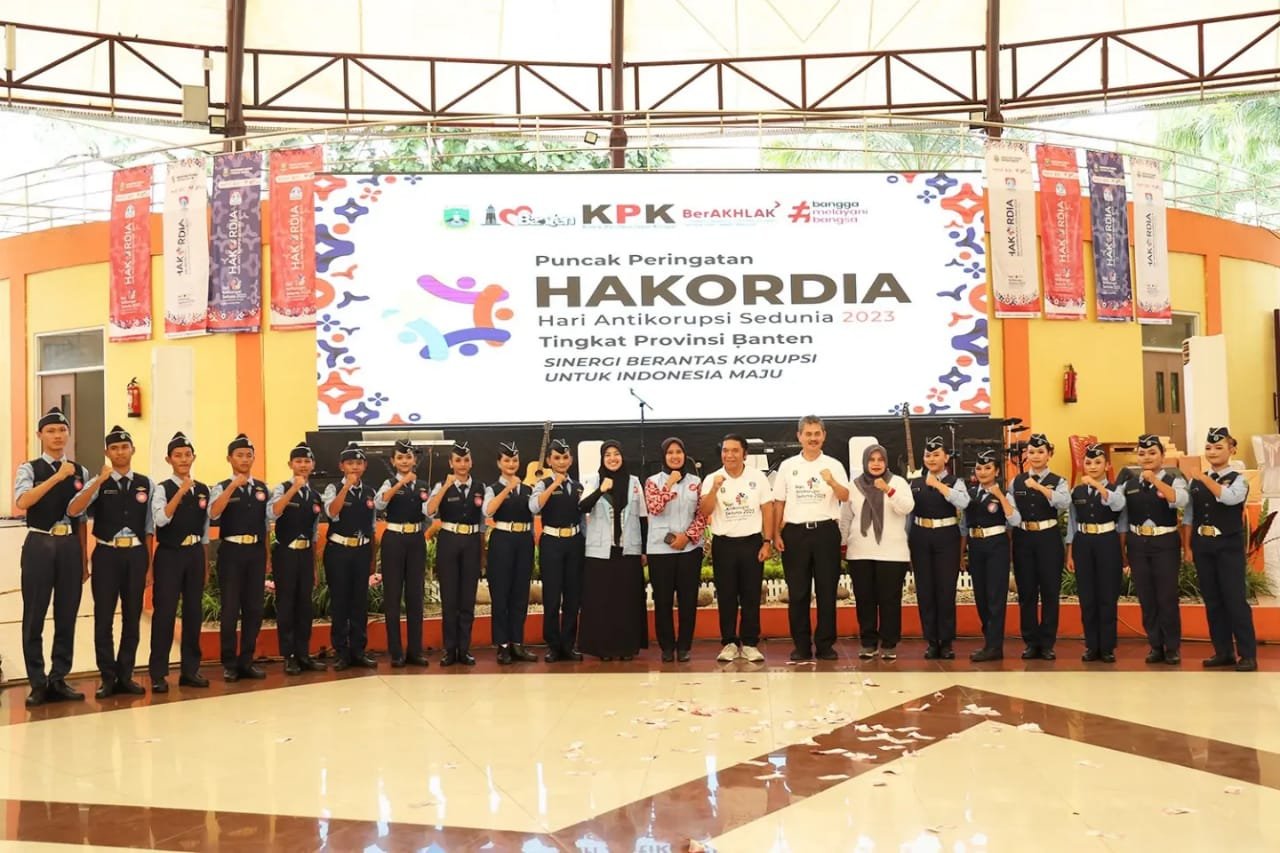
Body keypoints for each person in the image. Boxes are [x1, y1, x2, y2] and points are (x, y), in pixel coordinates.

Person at [67, 425, 153, 699]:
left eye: (124, 447)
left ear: (132, 450)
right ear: (107, 453)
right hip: (106, 555)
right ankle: (107, 676)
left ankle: (126, 675)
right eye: (114, 448)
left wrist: (149, 567)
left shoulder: (146, 483)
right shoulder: (99, 482)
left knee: (132, 617)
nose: (120, 452)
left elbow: (149, 528)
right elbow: (74, 509)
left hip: (136, 555)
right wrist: (98, 480)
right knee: (103, 618)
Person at [14, 407, 90, 706]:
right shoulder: (29, 468)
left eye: (62, 430)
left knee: (67, 614)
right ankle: (37, 682)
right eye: (51, 431)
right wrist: (57, 477)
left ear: (68, 434)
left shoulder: (80, 471)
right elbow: (23, 501)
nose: (57, 436)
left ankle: (59, 678)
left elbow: (81, 518)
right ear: (40, 435)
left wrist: (83, 558)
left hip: (69, 545)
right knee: (34, 615)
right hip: (40, 544)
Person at [772, 415, 850, 661]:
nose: (813, 438)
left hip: (826, 532)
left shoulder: (834, 465)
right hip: (795, 534)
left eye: (817, 434)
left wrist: (832, 482)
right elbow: (779, 502)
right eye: (808, 434)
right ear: (799, 437)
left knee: (827, 592)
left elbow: (845, 496)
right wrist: (775, 533)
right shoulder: (788, 466)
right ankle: (801, 646)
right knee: (798, 593)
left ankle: (825, 645)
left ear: (824, 436)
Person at [1182, 427, 1258, 672]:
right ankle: (1223, 652)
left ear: (1231, 450)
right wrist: (1188, 547)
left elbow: (1229, 498)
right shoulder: (1196, 481)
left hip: (1228, 546)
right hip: (1203, 545)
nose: (1212, 452)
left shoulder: (1238, 479)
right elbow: (1189, 516)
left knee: (1235, 600)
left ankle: (1247, 654)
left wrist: (1204, 478)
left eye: (1218, 447)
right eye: (1208, 447)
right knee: (1213, 600)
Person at [699, 434, 773, 663]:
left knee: (751, 595)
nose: (729, 455)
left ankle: (750, 643)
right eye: (725, 450)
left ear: (744, 454)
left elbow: (767, 509)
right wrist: (714, 489)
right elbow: (705, 511)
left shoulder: (758, 478)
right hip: (724, 544)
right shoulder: (712, 478)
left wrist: (767, 541)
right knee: (727, 595)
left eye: (734, 450)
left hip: (752, 542)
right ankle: (729, 642)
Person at [148, 432, 211, 693]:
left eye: (187, 455)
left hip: (194, 553)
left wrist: (205, 563)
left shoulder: (203, 489)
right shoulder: (162, 488)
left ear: (193, 457)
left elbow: (205, 531)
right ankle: (158, 673)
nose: (183, 459)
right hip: (170, 555)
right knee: (164, 613)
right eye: (178, 456)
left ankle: (190, 670)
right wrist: (181, 491)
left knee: (193, 613)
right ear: (169, 459)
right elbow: (161, 520)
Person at [1119, 434, 1188, 665]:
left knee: (1166, 597)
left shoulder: (1173, 479)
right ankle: (1155, 645)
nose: (1146, 457)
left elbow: (1180, 500)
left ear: (1162, 456)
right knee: (1146, 597)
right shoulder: (1128, 484)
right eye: (1142, 454)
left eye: (1152, 453)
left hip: (1165, 543)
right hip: (1138, 543)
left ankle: (1172, 647)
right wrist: (1123, 549)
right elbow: (1122, 516)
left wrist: (1155, 481)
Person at [841, 444, 915, 660]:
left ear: (886, 462)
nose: (876, 464)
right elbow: (846, 517)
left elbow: (907, 508)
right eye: (871, 460)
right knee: (865, 599)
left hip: (892, 553)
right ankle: (868, 643)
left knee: (889, 600)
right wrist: (842, 544)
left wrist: (888, 490)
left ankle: (889, 643)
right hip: (860, 552)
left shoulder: (897, 483)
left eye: (880, 460)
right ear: (865, 462)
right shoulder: (854, 485)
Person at [207, 434, 270, 682]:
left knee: (254, 609)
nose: (244, 459)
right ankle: (229, 663)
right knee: (230, 608)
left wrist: (267, 556)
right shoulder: (221, 486)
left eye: (248, 455)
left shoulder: (262, 488)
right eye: (239, 455)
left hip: (255, 551)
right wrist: (234, 486)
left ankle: (247, 660)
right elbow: (213, 513)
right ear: (229, 459)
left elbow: (266, 525)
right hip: (231, 552)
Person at [577, 440, 647, 660]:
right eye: (607, 454)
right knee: (602, 601)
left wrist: (644, 550)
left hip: (628, 550)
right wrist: (601, 490)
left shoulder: (634, 482)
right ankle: (603, 649)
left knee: (626, 601)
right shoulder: (593, 480)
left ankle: (627, 647)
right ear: (602, 459)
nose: (612, 458)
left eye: (616, 453)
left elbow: (643, 517)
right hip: (600, 552)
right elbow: (582, 506)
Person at [645, 437, 708, 663]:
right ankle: (666, 647)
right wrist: (669, 484)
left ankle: (684, 647)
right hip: (660, 550)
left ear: (684, 455)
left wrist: (688, 537)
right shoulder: (653, 481)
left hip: (689, 549)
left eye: (678, 452)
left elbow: (702, 514)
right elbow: (654, 507)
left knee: (688, 600)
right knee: (663, 601)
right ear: (664, 456)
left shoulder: (696, 482)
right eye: (670, 452)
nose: (674, 456)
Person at [1008, 432, 1070, 660]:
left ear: (1049, 454)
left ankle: (1047, 643)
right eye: (1031, 452)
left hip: (1048, 538)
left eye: (1040, 452)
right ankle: (1031, 642)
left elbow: (1064, 502)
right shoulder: (1016, 481)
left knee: (1050, 592)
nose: (1035, 456)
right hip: (1024, 537)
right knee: (1027, 592)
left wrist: (1039, 487)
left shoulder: (1058, 481)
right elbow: (1011, 512)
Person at [907, 436, 970, 660]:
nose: (931, 459)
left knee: (945, 590)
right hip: (921, 536)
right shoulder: (915, 483)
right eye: (928, 455)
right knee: (925, 590)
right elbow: (908, 516)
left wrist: (939, 486)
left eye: (936, 455)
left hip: (946, 537)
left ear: (946, 458)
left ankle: (946, 641)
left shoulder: (955, 481)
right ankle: (931, 641)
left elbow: (964, 503)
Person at [268, 441, 327, 675]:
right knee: (286, 605)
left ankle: (303, 653)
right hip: (285, 553)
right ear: (290, 464)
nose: (303, 465)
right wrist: (293, 489)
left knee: (305, 606)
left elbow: (314, 533)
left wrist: (313, 566)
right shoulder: (281, 488)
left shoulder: (315, 496)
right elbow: (273, 512)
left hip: (305, 553)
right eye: (298, 461)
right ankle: (289, 655)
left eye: (307, 461)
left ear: (313, 465)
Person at [1065, 444, 1126, 663]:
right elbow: (1072, 524)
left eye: (1098, 462)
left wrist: (1097, 486)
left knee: (1107, 596)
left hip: (1107, 541)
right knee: (1087, 597)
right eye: (1088, 463)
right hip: (1083, 542)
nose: (1092, 467)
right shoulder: (1077, 491)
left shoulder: (1116, 489)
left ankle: (1107, 647)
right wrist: (1070, 553)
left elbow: (1118, 506)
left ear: (1107, 465)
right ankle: (1092, 645)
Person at [427, 441, 484, 667]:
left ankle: (465, 649)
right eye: (458, 460)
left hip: (471, 541)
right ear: (451, 463)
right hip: (449, 540)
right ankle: (450, 650)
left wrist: (482, 552)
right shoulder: (442, 485)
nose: (462, 464)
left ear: (472, 462)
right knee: (450, 599)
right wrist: (445, 486)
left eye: (466, 460)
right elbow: (430, 510)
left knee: (467, 599)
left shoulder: (480, 487)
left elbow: (483, 522)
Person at [374, 439, 431, 668]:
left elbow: (429, 515)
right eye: (400, 457)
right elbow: (379, 504)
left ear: (414, 460)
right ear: (393, 461)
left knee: (415, 596)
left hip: (415, 540)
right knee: (393, 596)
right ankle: (396, 652)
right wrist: (401, 483)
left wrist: (419, 532)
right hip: (394, 539)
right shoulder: (388, 483)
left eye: (408, 457)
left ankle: (415, 651)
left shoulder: (423, 485)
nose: (405, 461)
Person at [962, 449, 1020, 662]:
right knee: (981, 597)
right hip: (976, 545)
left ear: (996, 471)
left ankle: (995, 646)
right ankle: (989, 641)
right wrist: (961, 552)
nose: (983, 472)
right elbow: (963, 525)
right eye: (979, 468)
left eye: (988, 468)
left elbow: (1015, 520)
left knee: (995, 597)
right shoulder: (970, 494)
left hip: (996, 545)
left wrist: (1000, 496)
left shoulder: (1005, 494)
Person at [323, 442, 377, 671]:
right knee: (340, 602)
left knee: (359, 603)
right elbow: (331, 512)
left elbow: (372, 527)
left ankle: (358, 651)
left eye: (358, 463)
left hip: (362, 550)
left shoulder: (370, 492)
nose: (354, 467)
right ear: (341, 466)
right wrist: (346, 487)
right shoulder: (333, 488)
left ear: (365, 465)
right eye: (350, 463)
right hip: (339, 550)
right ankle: (341, 652)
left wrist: (372, 557)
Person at [530, 438, 585, 662]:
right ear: (549, 461)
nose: (561, 461)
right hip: (552, 541)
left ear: (571, 460)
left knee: (573, 596)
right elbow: (534, 506)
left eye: (565, 457)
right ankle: (553, 645)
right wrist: (554, 484)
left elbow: (583, 518)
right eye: (557, 458)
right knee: (552, 596)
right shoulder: (543, 484)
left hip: (574, 542)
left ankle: (569, 645)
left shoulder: (579, 486)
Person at [484, 441, 537, 664]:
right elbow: (488, 511)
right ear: (499, 463)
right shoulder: (493, 488)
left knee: (520, 594)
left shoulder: (528, 489)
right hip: (502, 539)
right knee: (501, 594)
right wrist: (508, 487)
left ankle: (517, 643)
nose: (511, 464)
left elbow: (533, 515)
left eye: (514, 460)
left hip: (523, 540)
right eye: (506, 460)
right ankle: (502, 645)